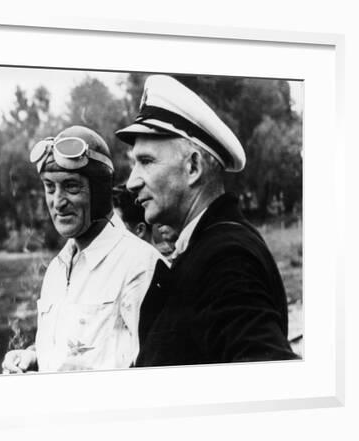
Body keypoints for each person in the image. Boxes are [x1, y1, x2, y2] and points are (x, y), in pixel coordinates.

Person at [116, 75, 297, 366]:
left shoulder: (228, 259)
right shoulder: (203, 247)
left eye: (146, 161)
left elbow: (268, 368)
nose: (132, 182)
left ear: (193, 167)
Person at [2, 125, 164, 373]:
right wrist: (33, 358)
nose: (58, 202)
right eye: (49, 187)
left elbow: (156, 370)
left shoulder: (140, 265)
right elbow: (73, 353)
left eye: (71, 187)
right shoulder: (56, 269)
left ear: (100, 193)